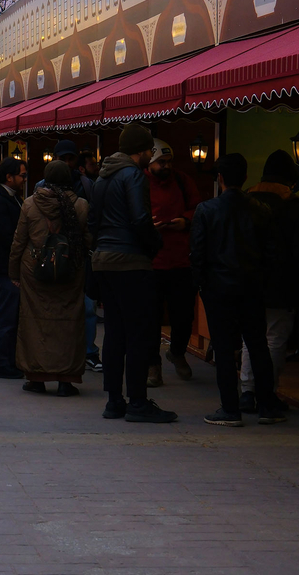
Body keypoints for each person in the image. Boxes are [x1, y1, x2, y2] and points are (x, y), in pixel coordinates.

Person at [89, 123, 176, 423]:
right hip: (130, 261)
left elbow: (93, 222)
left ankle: (114, 401)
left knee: (114, 333)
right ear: (142, 151)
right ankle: (137, 401)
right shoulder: (134, 176)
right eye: (149, 151)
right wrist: (154, 245)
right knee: (139, 332)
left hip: (104, 261)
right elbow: (140, 220)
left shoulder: (102, 178)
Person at [191, 154, 286, 426]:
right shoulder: (260, 209)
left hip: (218, 287)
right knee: (257, 345)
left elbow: (197, 253)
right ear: (245, 177)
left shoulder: (206, 210)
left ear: (219, 178)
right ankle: (267, 404)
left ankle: (230, 408)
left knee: (222, 347)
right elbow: (271, 254)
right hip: (251, 286)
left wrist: (201, 285)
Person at [10, 161, 91, 397]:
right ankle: (66, 378)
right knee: (69, 322)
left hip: (35, 270)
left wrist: (13, 271)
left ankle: (37, 377)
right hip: (70, 270)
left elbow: (19, 241)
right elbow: (87, 239)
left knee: (34, 322)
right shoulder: (81, 205)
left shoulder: (30, 203)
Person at [239, 150, 299, 414]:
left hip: (247, 280)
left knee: (250, 338)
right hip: (282, 283)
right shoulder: (296, 206)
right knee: (275, 340)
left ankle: (247, 391)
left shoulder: (246, 199)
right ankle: (267, 391)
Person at [145, 139, 201, 386]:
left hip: (180, 260)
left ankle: (177, 351)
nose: (166, 166)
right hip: (152, 262)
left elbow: (198, 209)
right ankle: (152, 365)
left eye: (169, 162)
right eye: (161, 162)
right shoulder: (140, 182)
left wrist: (185, 221)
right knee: (150, 318)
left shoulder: (181, 180)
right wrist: (148, 226)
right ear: (150, 162)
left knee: (184, 315)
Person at [0, 157, 27, 380]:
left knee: (9, 315)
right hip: (3, 268)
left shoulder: (9, 198)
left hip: (6, 267)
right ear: (9, 177)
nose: (24, 179)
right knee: (6, 316)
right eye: (22, 175)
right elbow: (6, 237)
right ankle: (0, 363)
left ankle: (6, 360)